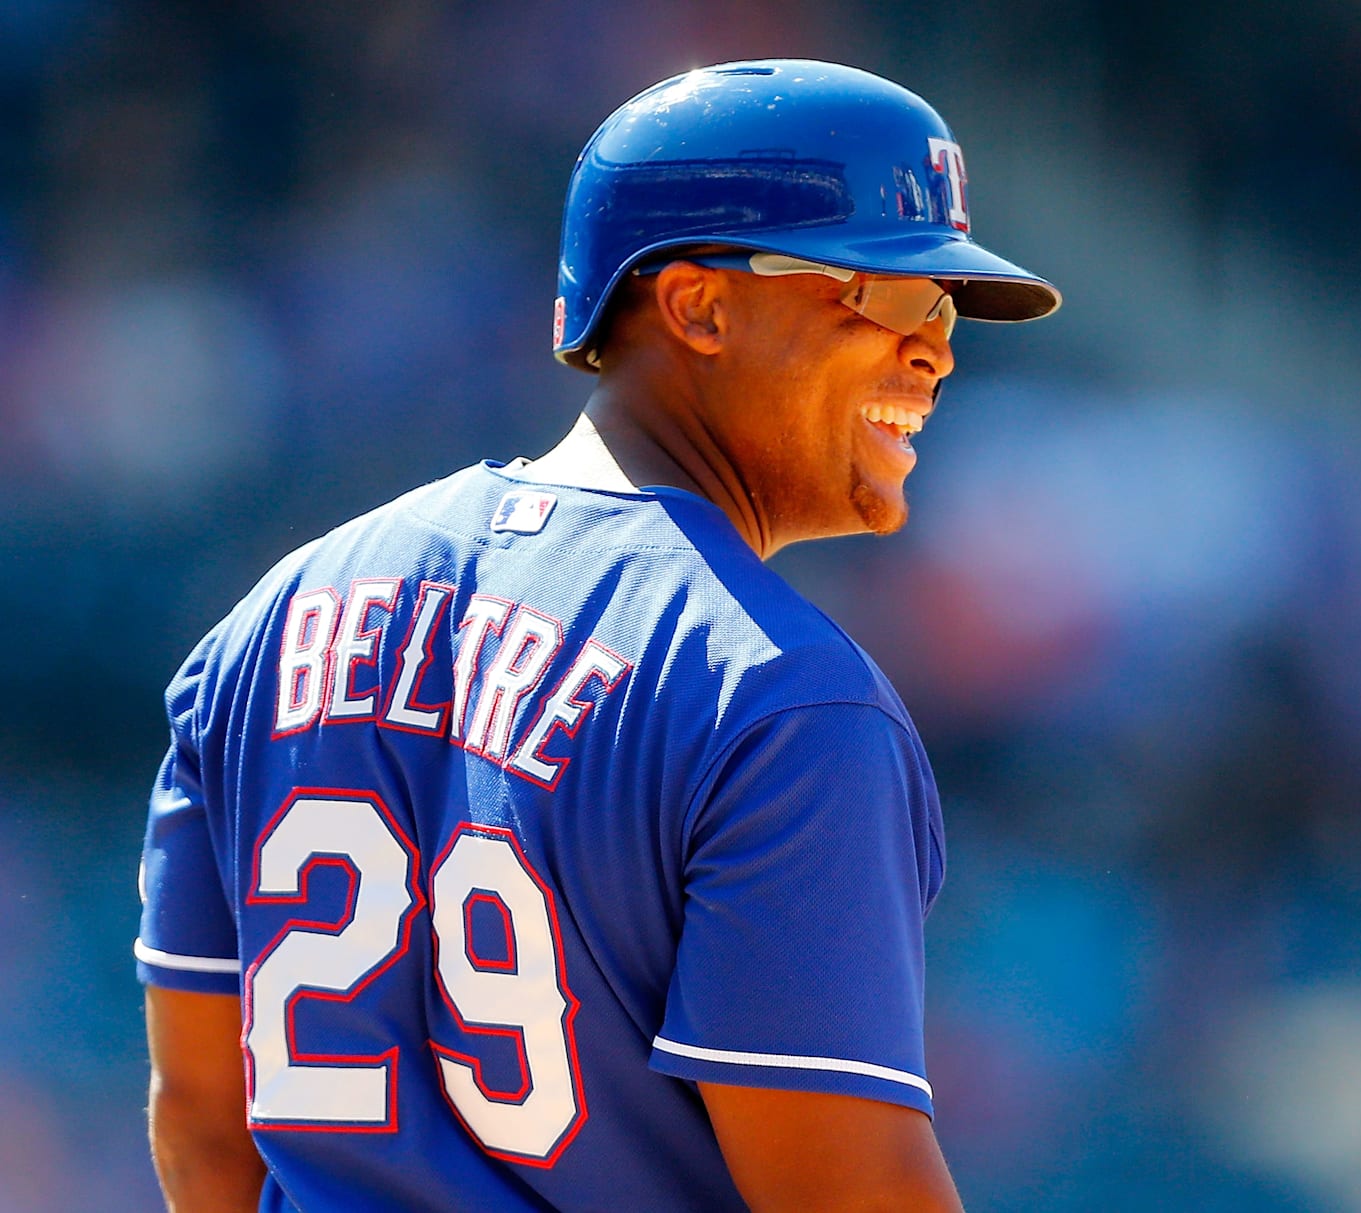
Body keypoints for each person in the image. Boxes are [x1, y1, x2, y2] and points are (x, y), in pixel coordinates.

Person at [135, 58, 1059, 1212]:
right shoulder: (777, 695)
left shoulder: (269, 625)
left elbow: (205, 1133)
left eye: (943, 308)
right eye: (884, 296)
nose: (936, 349)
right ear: (697, 305)